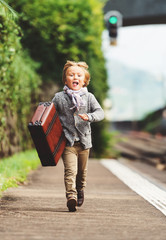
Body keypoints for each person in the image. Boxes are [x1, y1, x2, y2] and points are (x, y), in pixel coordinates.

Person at [52, 60, 104, 212]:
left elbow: (100, 112)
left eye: (79, 75)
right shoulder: (59, 97)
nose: (75, 77)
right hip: (67, 142)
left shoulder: (89, 98)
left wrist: (90, 116)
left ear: (84, 80)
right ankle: (71, 197)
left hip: (84, 143)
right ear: (66, 79)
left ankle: (80, 189)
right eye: (71, 75)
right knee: (70, 171)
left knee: (81, 174)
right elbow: (50, 115)